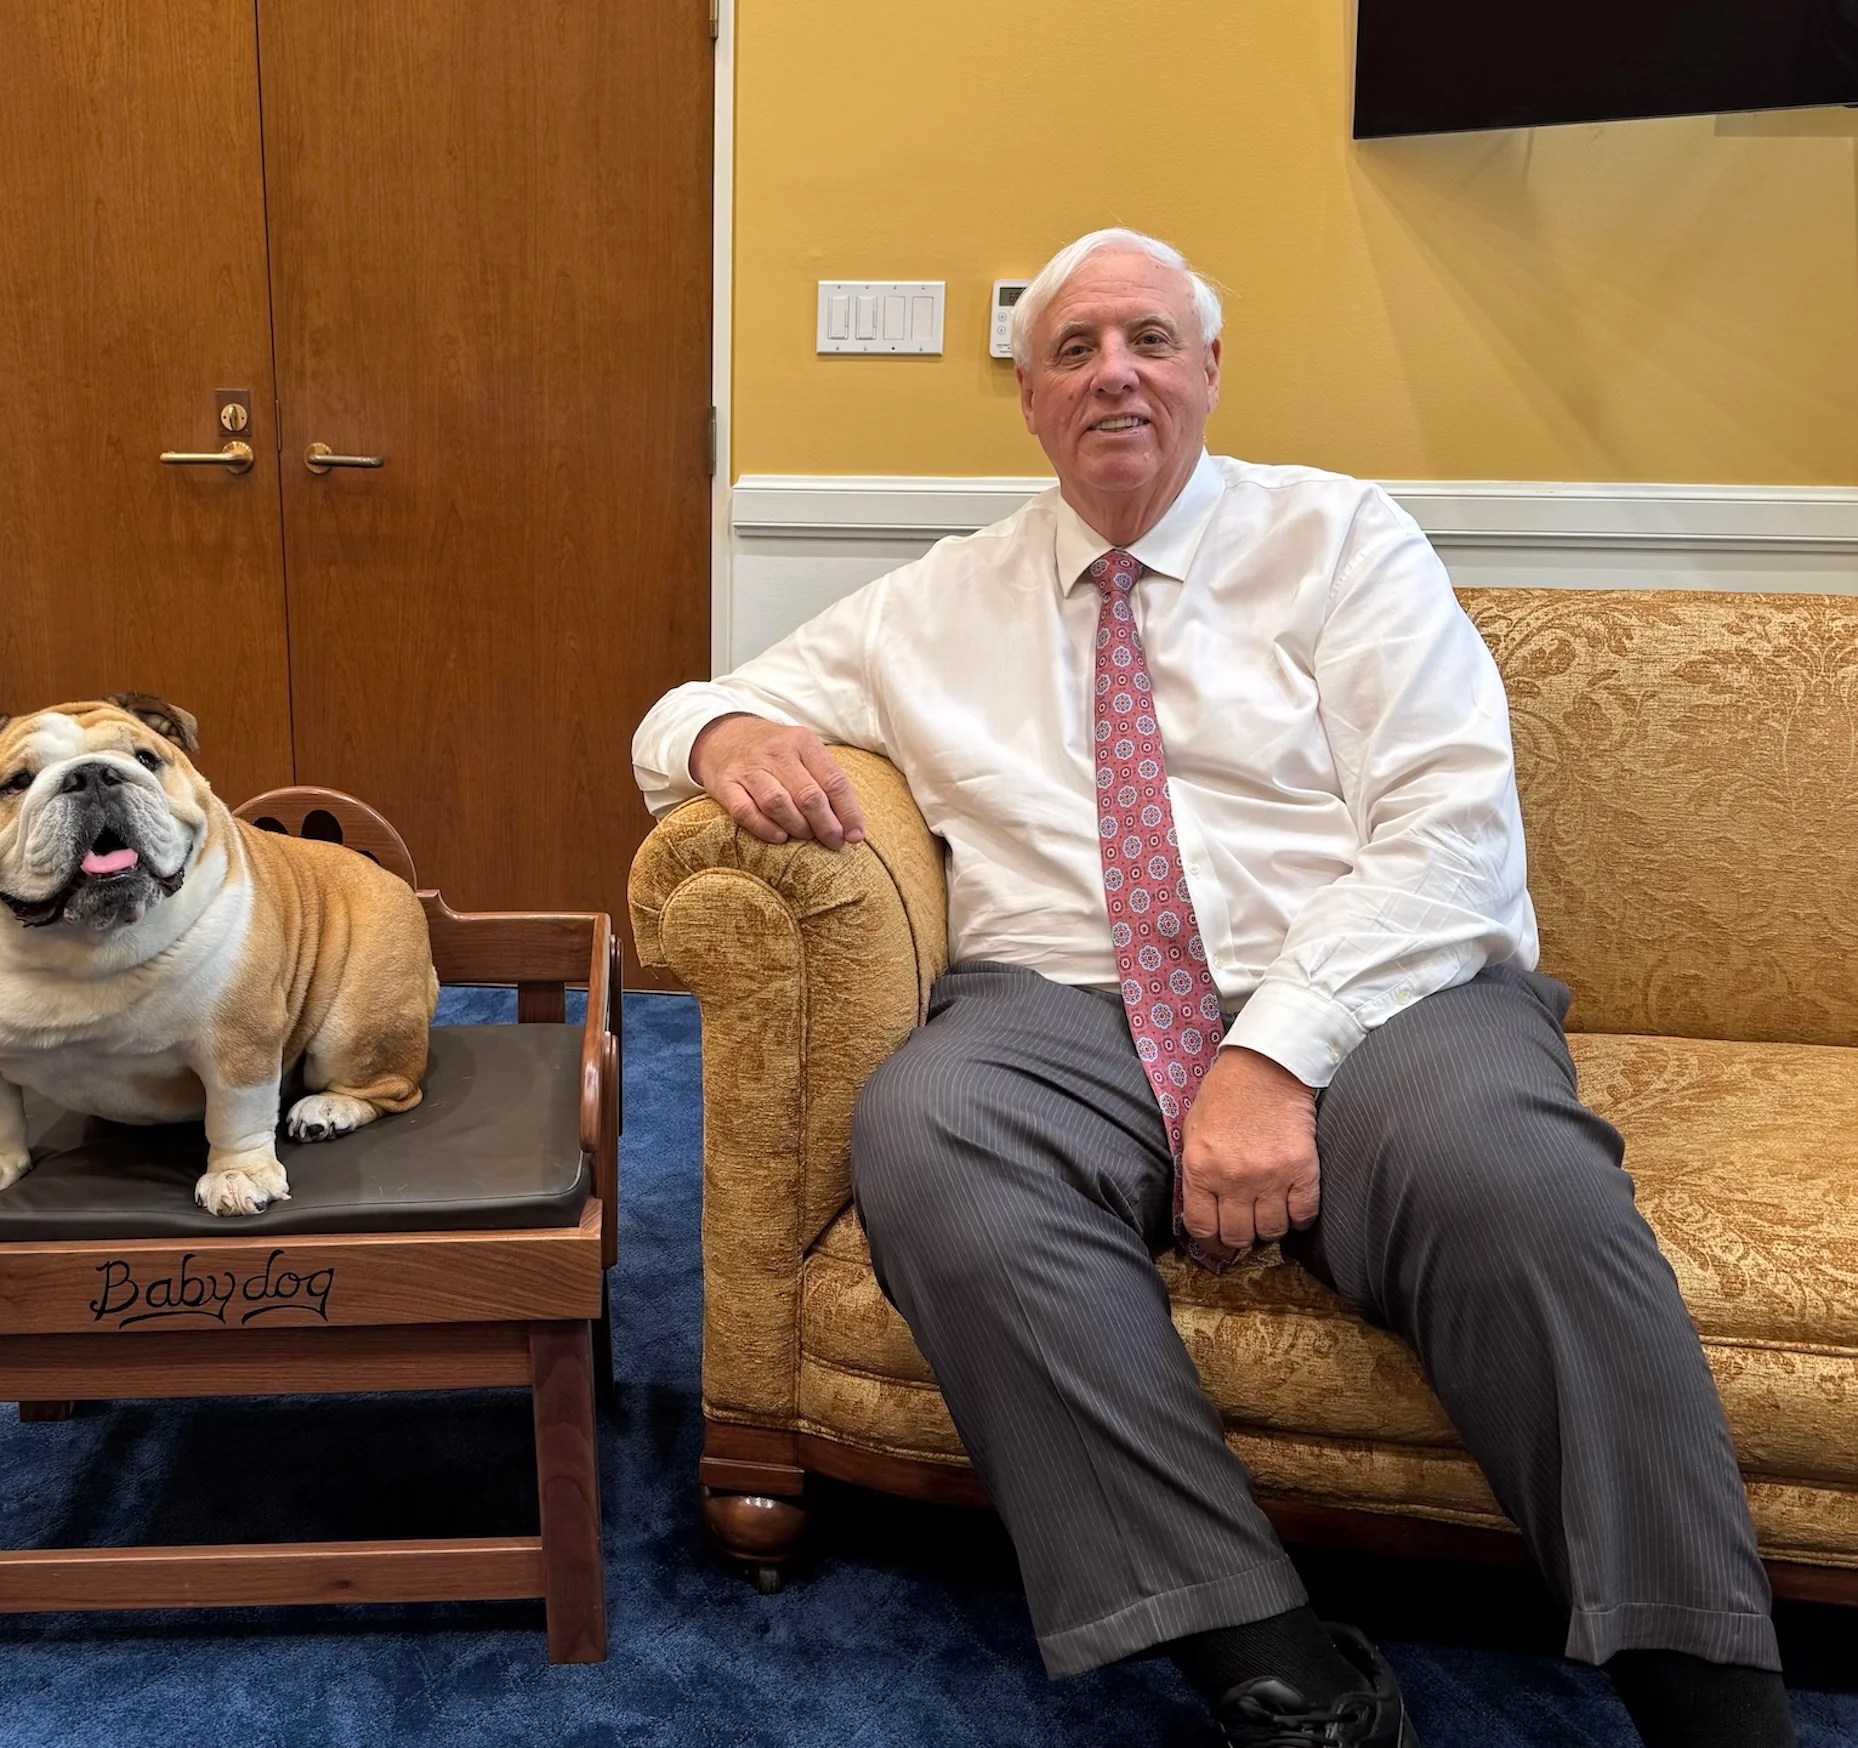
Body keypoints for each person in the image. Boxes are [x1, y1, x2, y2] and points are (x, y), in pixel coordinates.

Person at [630, 228, 1791, 1747]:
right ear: (1032, 402)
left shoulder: (1339, 541)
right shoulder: (936, 599)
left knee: (1512, 1182)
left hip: (1370, 987)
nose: (1114, 372)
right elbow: (695, 700)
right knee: (928, 1134)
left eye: (1150, 340)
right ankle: (1267, 1660)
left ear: (1207, 371)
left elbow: (1448, 836)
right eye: (1072, 349)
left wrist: (1269, 1057)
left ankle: (1706, 1694)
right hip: (1058, 1009)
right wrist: (721, 743)